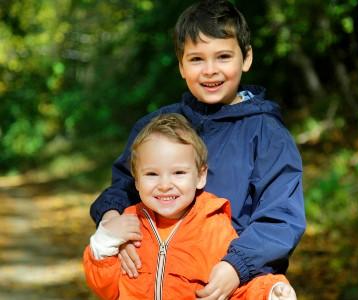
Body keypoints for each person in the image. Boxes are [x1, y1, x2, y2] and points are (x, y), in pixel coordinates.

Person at [90, 0, 306, 298]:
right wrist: (112, 219)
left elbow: (281, 216)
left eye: (223, 56)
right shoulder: (158, 127)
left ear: (246, 58)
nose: (210, 70)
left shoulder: (267, 133)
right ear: (181, 65)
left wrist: (236, 266)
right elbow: (125, 186)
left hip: (232, 283)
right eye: (196, 59)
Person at [83, 113, 297, 300]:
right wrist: (103, 244)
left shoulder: (213, 227)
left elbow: (234, 290)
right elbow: (106, 290)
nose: (165, 185)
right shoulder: (129, 224)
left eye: (178, 173)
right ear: (136, 181)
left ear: (200, 176)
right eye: (151, 174)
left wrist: (269, 291)